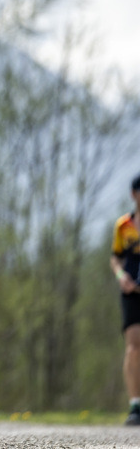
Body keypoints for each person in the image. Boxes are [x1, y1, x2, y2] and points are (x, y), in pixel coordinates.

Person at [111, 173, 140, 426]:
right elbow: (115, 258)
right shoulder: (123, 225)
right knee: (133, 345)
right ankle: (135, 405)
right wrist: (121, 276)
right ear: (134, 194)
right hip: (131, 292)